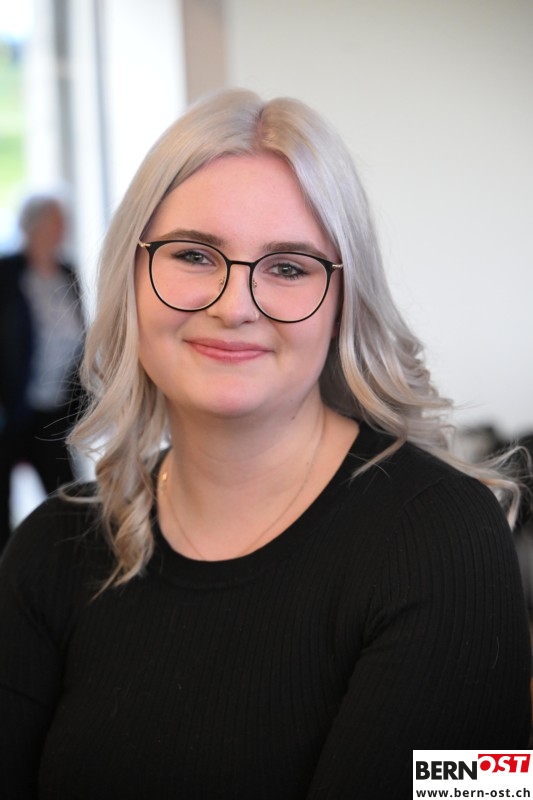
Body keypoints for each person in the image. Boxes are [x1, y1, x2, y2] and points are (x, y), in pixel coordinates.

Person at [0, 89, 530, 799]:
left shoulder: (447, 539)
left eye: (287, 267)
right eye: (194, 255)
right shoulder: (49, 549)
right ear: (131, 277)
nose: (234, 306)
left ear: (342, 302)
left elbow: (485, 784)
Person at [0, 194, 85, 546]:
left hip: (55, 407)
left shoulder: (66, 270)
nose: (62, 229)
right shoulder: (6, 272)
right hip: (12, 406)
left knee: (68, 499)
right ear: (34, 226)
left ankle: (67, 564)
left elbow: (81, 331)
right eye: (55, 221)